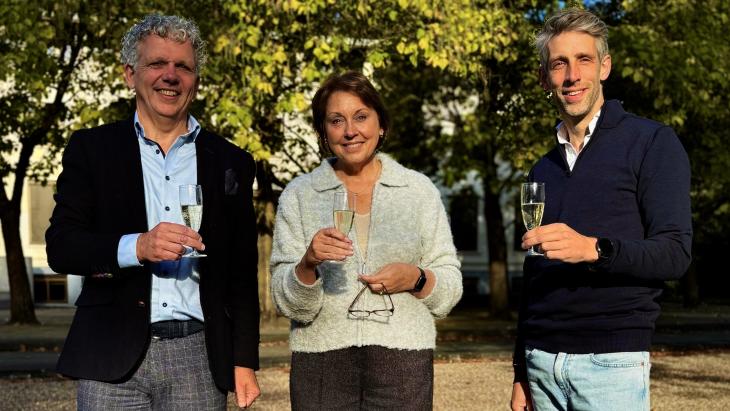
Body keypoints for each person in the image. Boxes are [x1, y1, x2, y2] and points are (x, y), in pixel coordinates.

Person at [46, 14, 261, 409]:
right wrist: (138, 246)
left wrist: (244, 360)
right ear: (130, 74)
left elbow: (242, 273)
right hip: (110, 355)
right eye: (157, 64)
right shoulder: (91, 150)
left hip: (198, 356)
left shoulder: (231, 161)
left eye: (183, 66)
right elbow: (61, 247)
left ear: (195, 80)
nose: (171, 75)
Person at [510, 8, 692, 411]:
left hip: (610, 364)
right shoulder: (542, 168)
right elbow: (533, 275)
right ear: (546, 77)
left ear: (604, 66)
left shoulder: (652, 142)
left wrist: (595, 249)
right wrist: (521, 370)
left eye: (584, 60)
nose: (572, 75)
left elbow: (676, 254)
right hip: (541, 366)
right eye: (559, 63)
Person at [270, 71, 463, 410]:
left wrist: (416, 278)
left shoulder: (418, 192)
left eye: (361, 116)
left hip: (403, 364)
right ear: (324, 132)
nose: (350, 131)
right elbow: (290, 304)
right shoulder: (299, 195)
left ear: (381, 124)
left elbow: (449, 288)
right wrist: (307, 264)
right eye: (336, 120)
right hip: (321, 365)